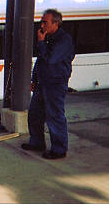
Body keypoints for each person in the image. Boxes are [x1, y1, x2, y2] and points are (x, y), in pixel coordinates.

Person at [21, 9, 75, 159]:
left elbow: (50, 59)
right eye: (42, 21)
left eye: (45, 22)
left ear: (55, 23)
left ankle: (59, 149)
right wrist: (34, 79)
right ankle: (37, 142)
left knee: (54, 116)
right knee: (35, 114)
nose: (42, 25)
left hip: (55, 84)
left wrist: (40, 42)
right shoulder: (48, 38)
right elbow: (40, 61)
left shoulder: (64, 40)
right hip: (42, 83)